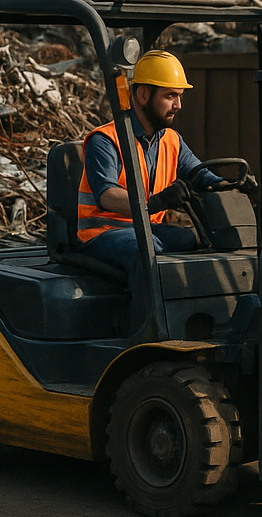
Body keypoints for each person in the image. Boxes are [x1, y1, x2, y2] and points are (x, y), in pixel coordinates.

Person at [77, 49, 223, 328]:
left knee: (198, 241)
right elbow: (107, 195)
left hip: (145, 229)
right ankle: (146, 330)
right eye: (170, 96)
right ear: (143, 95)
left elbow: (198, 173)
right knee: (146, 249)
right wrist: (154, 201)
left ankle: (199, 322)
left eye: (180, 96)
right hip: (102, 233)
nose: (178, 105)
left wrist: (230, 184)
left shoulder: (170, 140)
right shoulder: (106, 140)